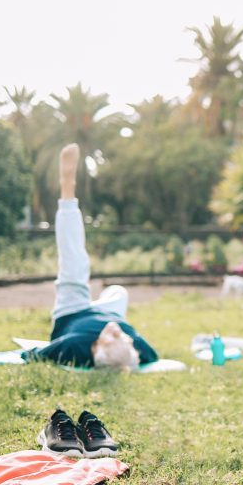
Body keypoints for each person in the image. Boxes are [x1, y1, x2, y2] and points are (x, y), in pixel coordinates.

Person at [23, 144, 159, 370]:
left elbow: (34, 355)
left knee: (74, 260)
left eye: (112, 338)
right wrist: (127, 353)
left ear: (95, 347)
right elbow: (151, 355)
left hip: (73, 310)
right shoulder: (128, 342)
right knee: (119, 291)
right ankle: (102, 303)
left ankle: (67, 188)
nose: (117, 332)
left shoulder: (75, 345)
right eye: (123, 339)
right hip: (109, 310)